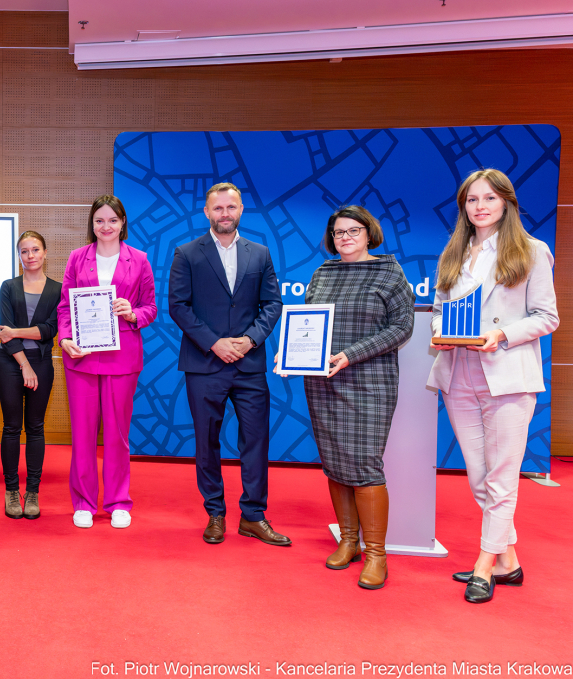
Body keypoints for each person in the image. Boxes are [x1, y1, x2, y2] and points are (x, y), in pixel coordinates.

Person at [427, 169, 558, 604]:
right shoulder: (455, 252)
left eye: (489, 198)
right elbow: (441, 308)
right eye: (471, 200)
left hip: (506, 374)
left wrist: (501, 335)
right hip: (458, 371)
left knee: (501, 477)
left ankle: (486, 564)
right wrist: (438, 330)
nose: (479, 206)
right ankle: (509, 561)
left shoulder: (533, 251)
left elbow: (546, 317)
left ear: (507, 202)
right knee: (481, 476)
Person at [296, 206, 414, 590]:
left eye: (353, 230)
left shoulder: (389, 272)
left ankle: (376, 553)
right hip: (322, 381)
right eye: (338, 232)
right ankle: (348, 540)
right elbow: (306, 325)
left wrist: (352, 354)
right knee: (334, 461)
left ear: (369, 233)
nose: (345, 237)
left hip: (369, 381)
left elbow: (402, 327)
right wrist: (293, 352)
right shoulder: (323, 273)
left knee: (363, 463)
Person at [168, 182, 287, 547]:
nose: (225, 214)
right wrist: (214, 343)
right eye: (218, 208)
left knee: (255, 441)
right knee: (206, 443)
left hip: (249, 364)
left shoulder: (260, 253)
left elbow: (272, 304)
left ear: (241, 210)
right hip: (204, 364)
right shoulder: (186, 253)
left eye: (231, 207)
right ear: (206, 212)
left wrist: (250, 339)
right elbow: (178, 306)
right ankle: (215, 513)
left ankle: (253, 515)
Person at [57, 194, 157, 530]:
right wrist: (65, 338)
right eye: (99, 221)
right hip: (82, 359)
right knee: (83, 434)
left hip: (122, 359)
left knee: (117, 435)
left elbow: (151, 308)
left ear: (122, 223)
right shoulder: (76, 258)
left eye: (112, 220)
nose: (106, 227)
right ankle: (84, 502)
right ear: (92, 224)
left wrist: (133, 313)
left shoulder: (139, 260)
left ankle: (117, 501)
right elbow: (64, 307)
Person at [0, 230, 61, 519]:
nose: (30, 256)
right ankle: (11, 492)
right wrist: (24, 364)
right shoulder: (8, 287)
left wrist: (16, 332)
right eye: (24, 251)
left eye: (35, 250)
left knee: (35, 427)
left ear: (45, 253)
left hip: (43, 363)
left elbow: (49, 330)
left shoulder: (58, 290)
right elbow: (4, 332)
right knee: (11, 427)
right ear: (19, 255)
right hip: (10, 363)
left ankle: (32, 492)